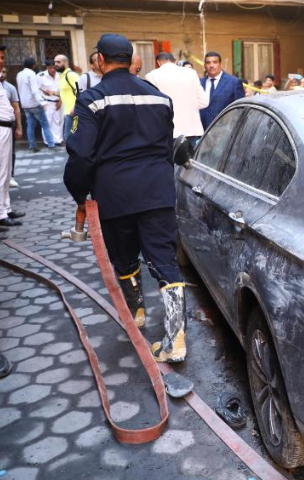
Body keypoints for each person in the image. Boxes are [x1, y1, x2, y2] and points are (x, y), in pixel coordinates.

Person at [63, 34, 187, 363]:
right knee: (164, 260)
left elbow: (81, 155)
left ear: (101, 60)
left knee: (124, 256)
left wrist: (79, 194)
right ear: (130, 59)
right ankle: (176, 341)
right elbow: (167, 148)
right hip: (158, 189)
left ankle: (136, 313)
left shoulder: (91, 100)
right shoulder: (159, 97)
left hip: (115, 192)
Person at [145, 51, 208, 142]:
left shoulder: (151, 76)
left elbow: (153, 107)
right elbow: (204, 102)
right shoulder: (191, 73)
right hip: (192, 130)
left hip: (167, 131)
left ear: (158, 62)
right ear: (175, 61)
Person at [0, 45, 25, 233]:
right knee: (1, 173)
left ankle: (5, 209)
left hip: (6, 128)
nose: (2, 61)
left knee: (6, 173)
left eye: (2, 57)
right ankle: (1, 214)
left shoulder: (2, 82)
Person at [17, 58, 56, 152]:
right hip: (34, 103)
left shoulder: (19, 74)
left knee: (30, 125)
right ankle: (51, 145)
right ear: (33, 65)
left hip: (25, 104)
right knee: (45, 124)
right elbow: (35, 90)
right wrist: (43, 103)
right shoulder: (31, 74)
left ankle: (32, 146)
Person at [199, 51, 245, 130]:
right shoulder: (199, 83)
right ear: (205, 65)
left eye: (215, 62)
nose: (211, 65)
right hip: (203, 132)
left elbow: (241, 109)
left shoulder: (234, 82)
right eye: (208, 63)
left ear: (220, 64)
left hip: (225, 131)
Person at [0, 67, 22, 188]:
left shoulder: (10, 88)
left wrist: (19, 127)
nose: (2, 74)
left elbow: (16, 108)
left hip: (8, 124)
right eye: (0, 72)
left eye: (4, 72)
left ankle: (10, 176)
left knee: (10, 152)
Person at [54, 54, 80, 143]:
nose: (55, 64)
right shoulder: (62, 76)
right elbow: (66, 92)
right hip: (68, 112)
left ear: (65, 63)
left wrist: (75, 107)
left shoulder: (71, 75)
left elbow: (80, 91)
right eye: (55, 62)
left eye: (58, 62)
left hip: (74, 113)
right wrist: (53, 93)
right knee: (70, 137)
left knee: (69, 137)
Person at [38, 59, 64, 146]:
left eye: (54, 68)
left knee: (58, 121)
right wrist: (42, 103)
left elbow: (63, 89)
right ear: (47, 67)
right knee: (47, 122)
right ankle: (48, 141)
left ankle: (58, 140)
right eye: (50, 68)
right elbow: (37, 90)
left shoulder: (60, 75)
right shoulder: (41, 76)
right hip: (47, 102)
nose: (53, 70)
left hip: (58, 101)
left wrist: (60, 100)